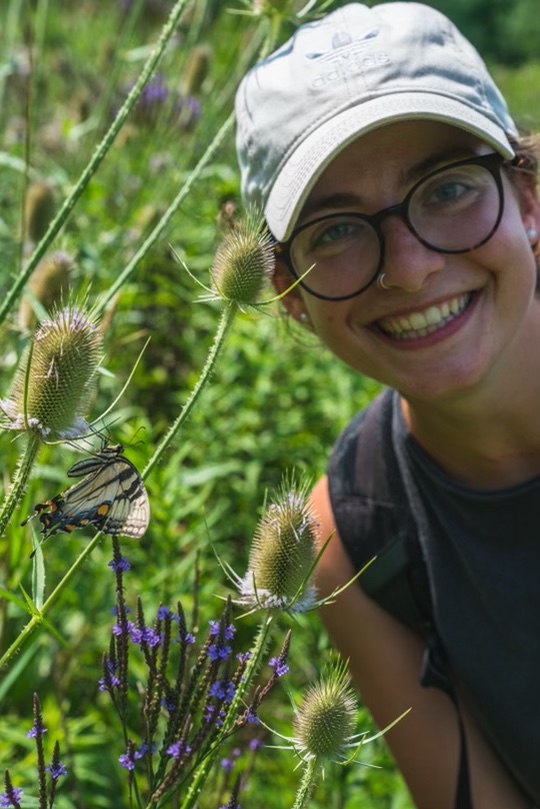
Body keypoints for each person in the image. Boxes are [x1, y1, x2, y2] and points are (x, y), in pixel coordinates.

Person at [235, 3, 540, 809]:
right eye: (335, 232)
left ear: (530, 197)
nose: (407, 269)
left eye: (446, 188)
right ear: (289, 295)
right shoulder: (353, 534)